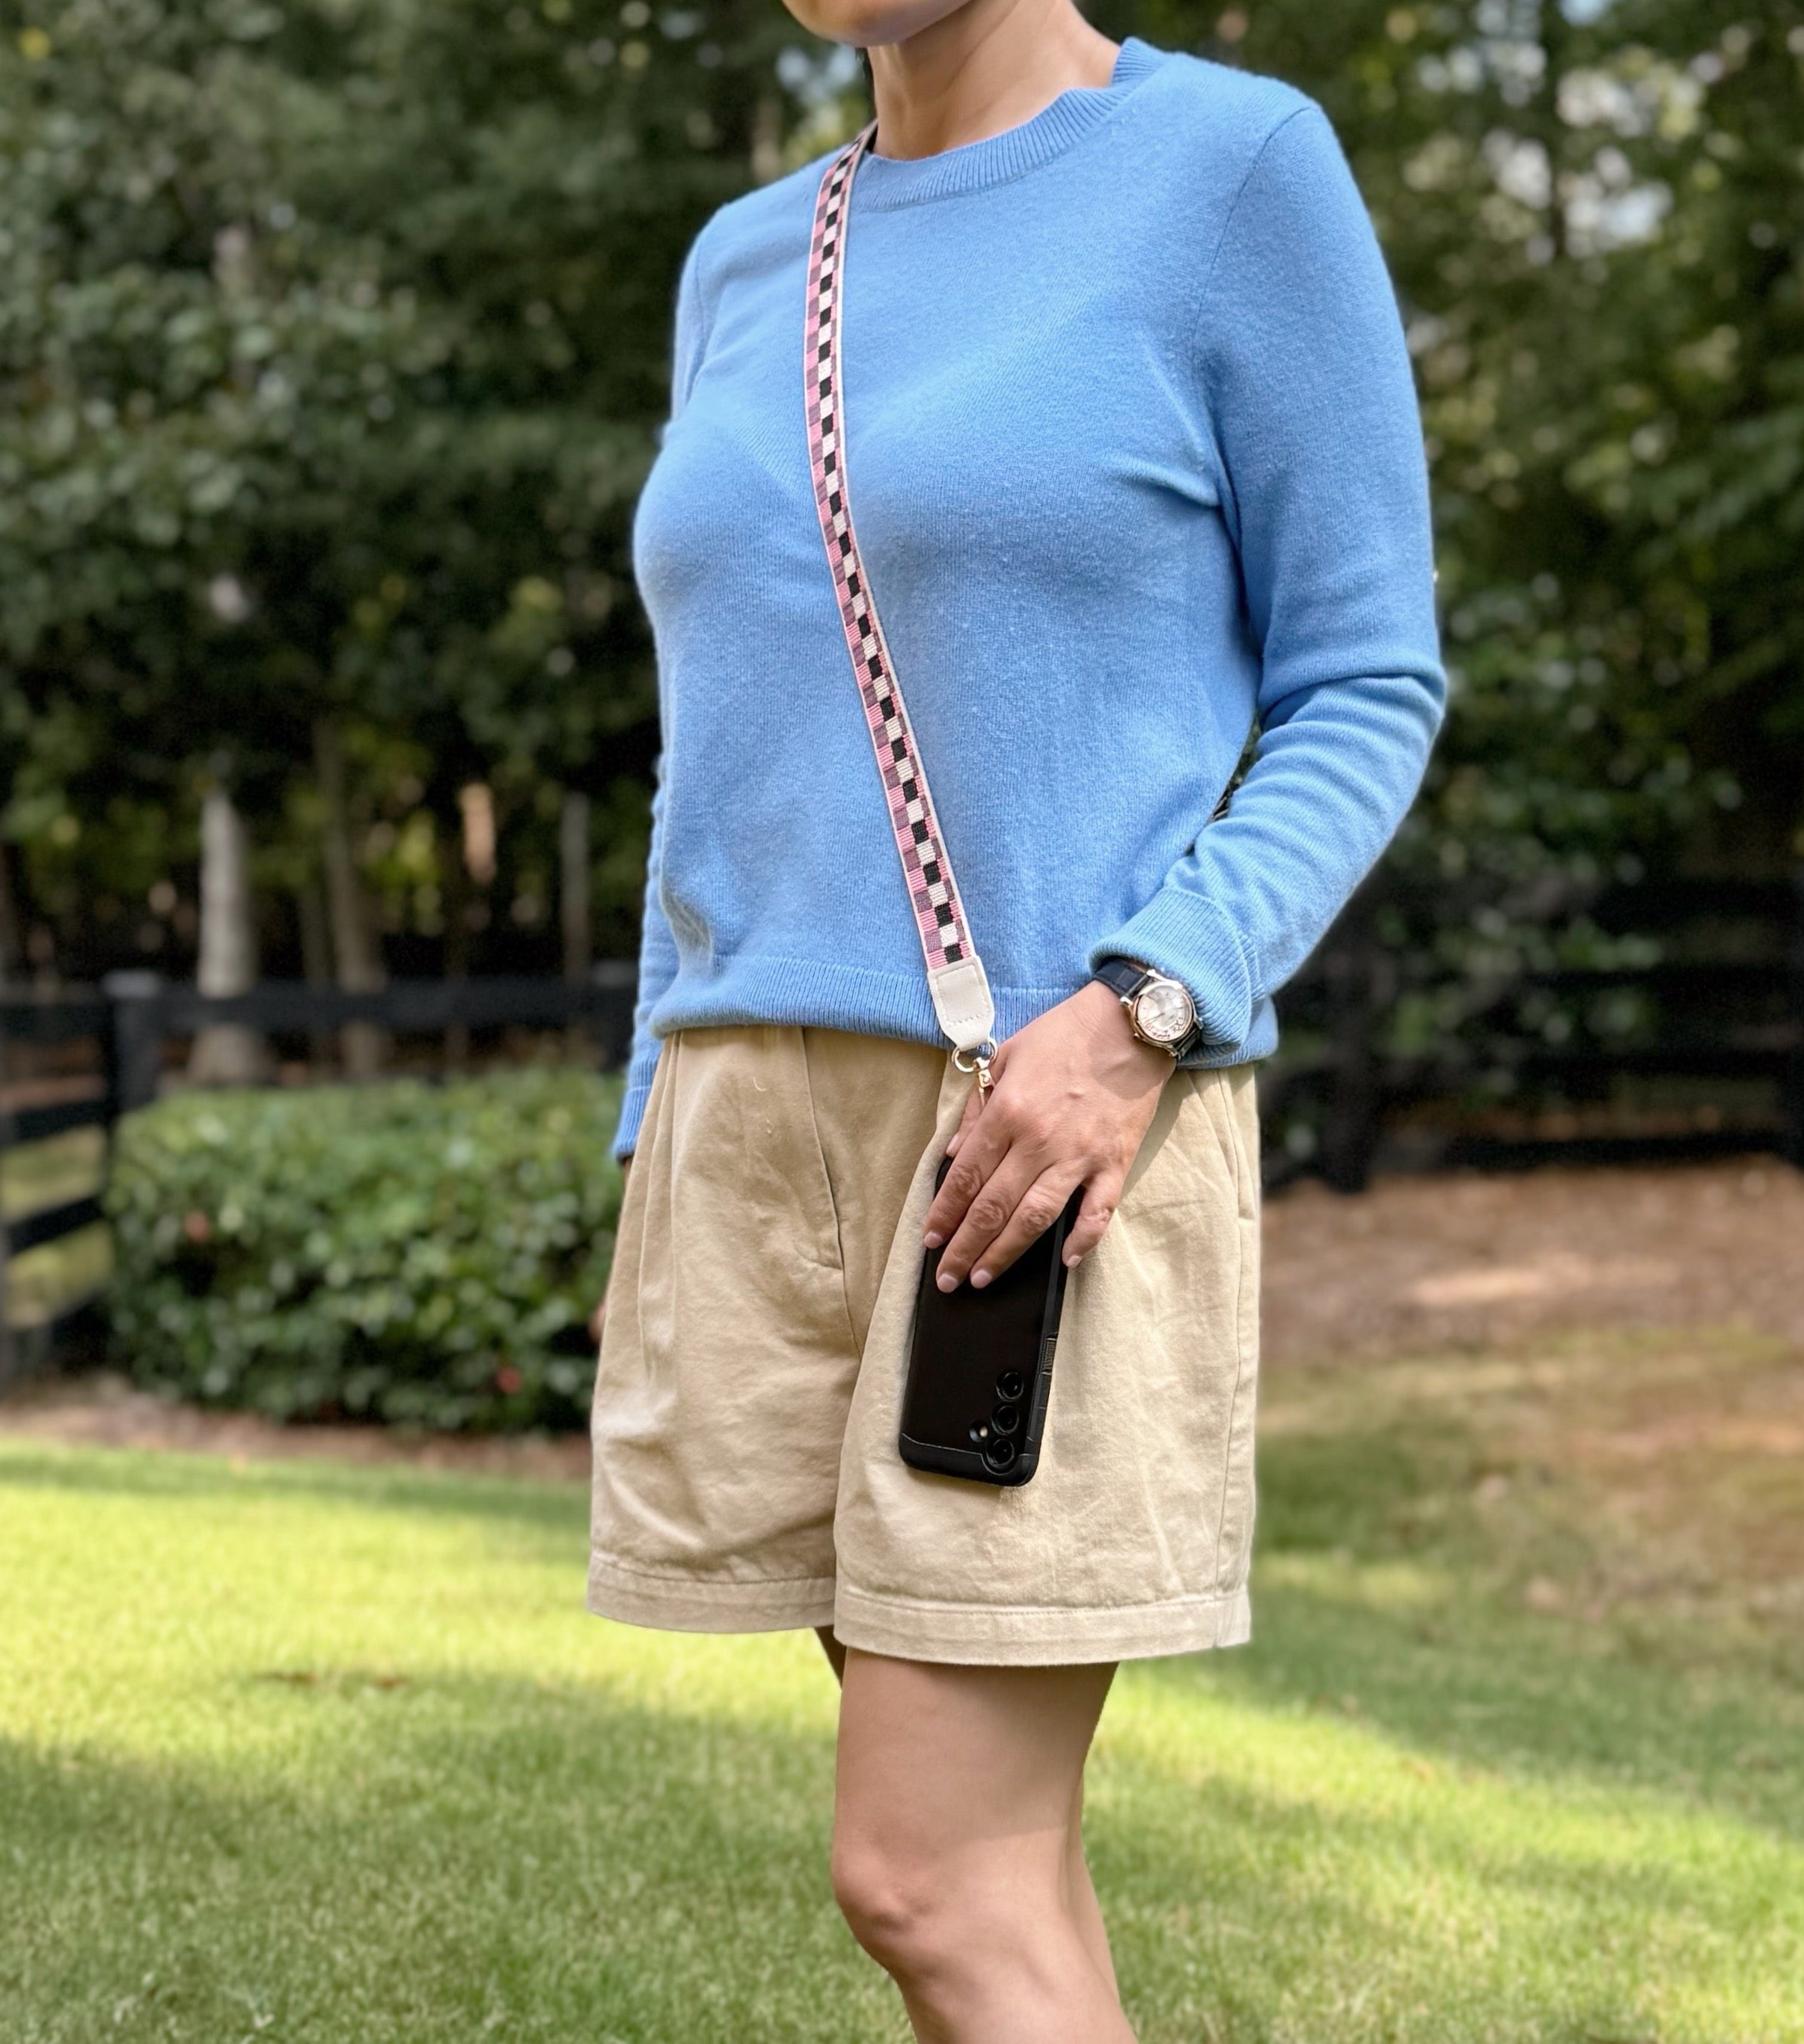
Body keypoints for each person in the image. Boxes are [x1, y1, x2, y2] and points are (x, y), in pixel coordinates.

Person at [587, 0, 1445, 2034]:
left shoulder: (1232, 174)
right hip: (743, 1123)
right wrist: (650, 1120)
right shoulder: (747, 258)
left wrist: (1147, 1003)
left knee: (929, 1870)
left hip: (1043, 1133)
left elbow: (1365, 681)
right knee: (995, 1875)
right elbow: (710, 750)